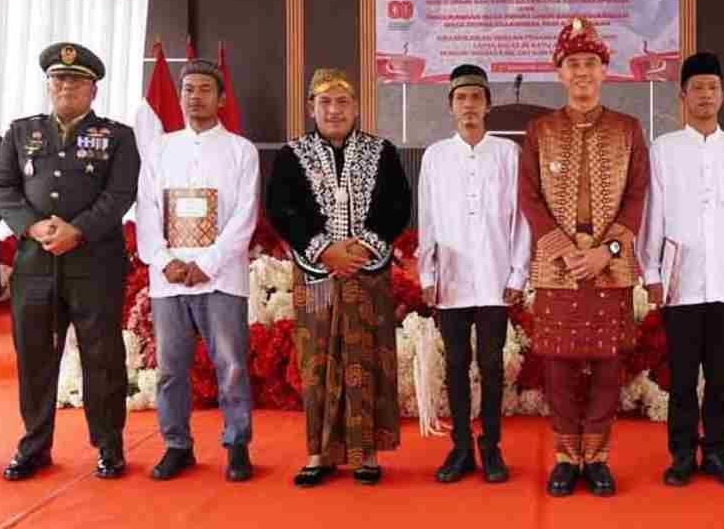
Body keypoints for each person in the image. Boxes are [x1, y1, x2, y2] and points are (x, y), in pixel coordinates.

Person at [0, 42, 140, 481]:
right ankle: (34, 445)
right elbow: (1, 186)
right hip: (35, 264)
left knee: (102, 358)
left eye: (75, 80)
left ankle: (108, 446)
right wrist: (32, 226)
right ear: (48, 85)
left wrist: (78, 230)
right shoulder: (21, 132)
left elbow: (120, 194)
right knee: (34, 358)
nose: (66, 86)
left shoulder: (117, 136)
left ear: (93, 89)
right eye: (58, 78)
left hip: (95, 263)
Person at [518, 17, 649, 498]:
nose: (582, 72)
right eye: (572, 63)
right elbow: (529, 198)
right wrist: (566, 250)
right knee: (559, 366)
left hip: (610, 267)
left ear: (604, 70)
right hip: (557, 267)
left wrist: (605, 252)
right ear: (559, 72)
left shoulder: (628, 130)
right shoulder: (540, 130)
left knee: (608, 365)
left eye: (590, 63)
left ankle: (596, 457)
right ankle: (564, 456)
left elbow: (636, 198)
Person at [266, 68, 412, 487]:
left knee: (367, 359)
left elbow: (397, 206)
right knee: (317, 361)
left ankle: (366, 453)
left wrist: (362, 247)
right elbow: (281, 208)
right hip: (316, 275)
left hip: (368, 275)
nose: (334, 110)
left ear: (357, 108)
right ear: (311, 108)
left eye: (343, 102)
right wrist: (325, 251)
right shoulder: (291, 155)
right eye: (325, 102)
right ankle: (319, 453)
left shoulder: (381, 151)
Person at [639, 51, 724, 489]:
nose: (706, 95)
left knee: (720, 374)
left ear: (723, 95)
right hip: (681, 282)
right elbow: (653, 214)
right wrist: (651, 272)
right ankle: (681, 454)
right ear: (683, 96)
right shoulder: (665, 149)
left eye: (713, 88)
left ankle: (716, 450)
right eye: (697, 88)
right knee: (681, 375)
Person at [136, 59, 260, 482]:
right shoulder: (159, 148)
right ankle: (177, 445)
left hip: (221, 277)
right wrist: (164, 260)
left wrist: (206, 264)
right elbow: (146, 209)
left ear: (221, 99)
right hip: (169, 279)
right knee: (170, 369)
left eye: (205, 89)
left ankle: (236, 445)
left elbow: (245, 216)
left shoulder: (241, 150)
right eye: (188, 89)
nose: (195, 96)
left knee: (231, 365)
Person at [418, 64, 530, 484]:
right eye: (461, 98)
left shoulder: (508, 154)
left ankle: (491, 447)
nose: (469, 106)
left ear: (488, 105)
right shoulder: (435, 156)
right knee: (456, 364)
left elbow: (522, 219)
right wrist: (427, 275)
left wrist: (517, 274)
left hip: (495, 278)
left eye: (476, 98)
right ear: (450, 106)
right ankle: (461, 447)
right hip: (450, 280)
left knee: (491, 364)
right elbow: (427, 218)